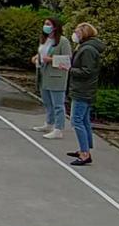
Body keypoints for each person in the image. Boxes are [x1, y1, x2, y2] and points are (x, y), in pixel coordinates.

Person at [68, 23, 104, 166]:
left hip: (83, 90)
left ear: (84, 33)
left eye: (77, 32)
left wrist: (69, 69)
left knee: (76, 120)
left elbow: (87, 71)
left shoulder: (88, 49)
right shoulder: (87, 47)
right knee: (84, 120)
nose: (74, 35)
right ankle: (85, 148)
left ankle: (85, 153)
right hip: (85, 89)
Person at [31, 17, 72, 140]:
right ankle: (49, 123)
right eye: (44, 24)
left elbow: (68, 59)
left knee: (58, 104)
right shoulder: (44, 40)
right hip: (43, 74)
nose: (45, 26)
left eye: (48, 24)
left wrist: (51, 59)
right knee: (47, 101)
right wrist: (35, 57)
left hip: (56, 76)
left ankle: (58, 128)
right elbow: (42, 52)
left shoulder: (63, 41)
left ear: (55, 26)